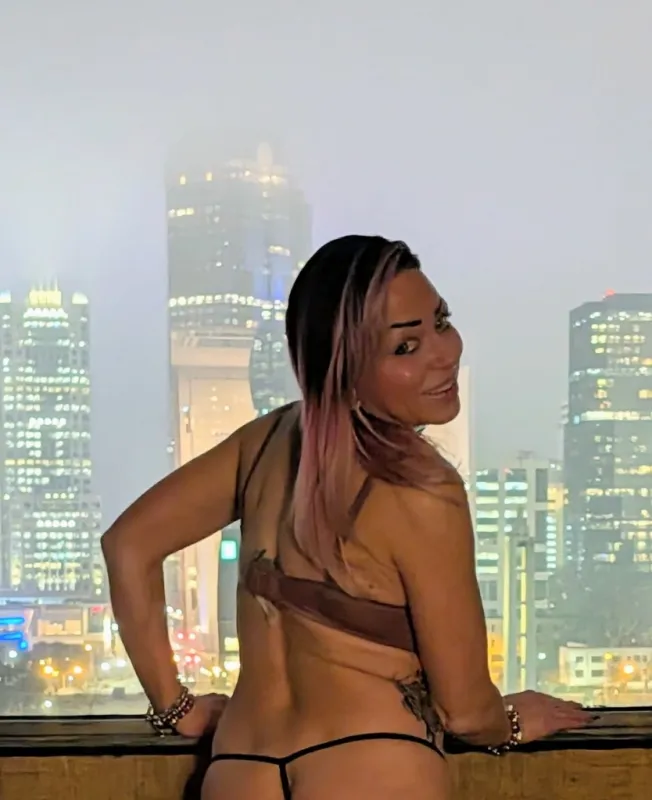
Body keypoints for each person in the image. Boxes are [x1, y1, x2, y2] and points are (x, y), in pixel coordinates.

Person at [102, 235, 593, 800]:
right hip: (374, 765)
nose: (444, 353)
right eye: (405, 347)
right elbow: (464, 711)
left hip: (240, 769)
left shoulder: (263, 443)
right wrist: (510, 722)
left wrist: (176, 706)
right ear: (346, 367)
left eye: (441, 322)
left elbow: (128, 545)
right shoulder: (422, 488)